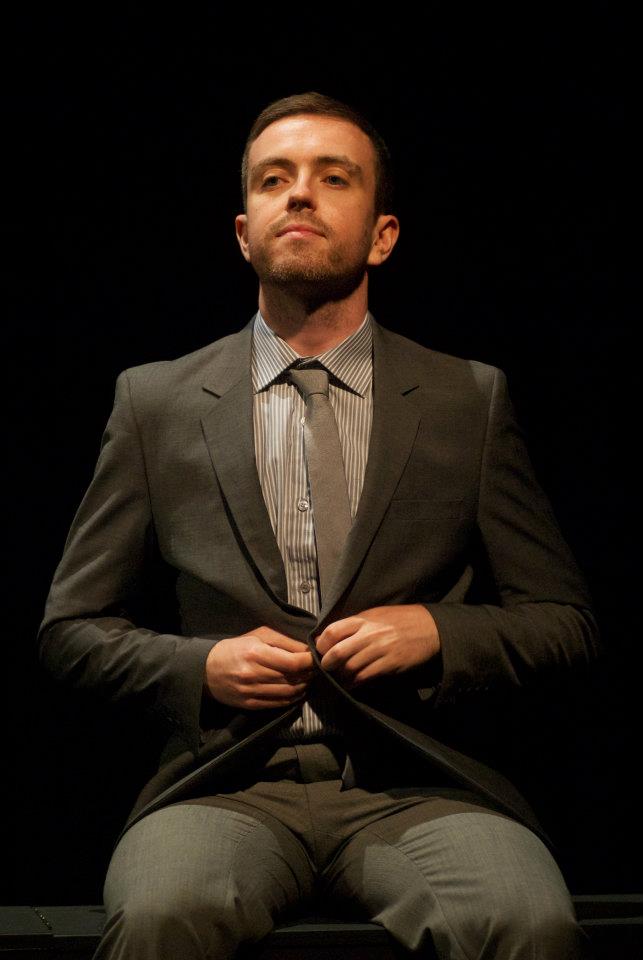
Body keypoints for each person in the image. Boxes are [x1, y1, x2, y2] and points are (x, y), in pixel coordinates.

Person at [38, 90, 600, 959]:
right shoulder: (156, 402)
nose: (298, 195)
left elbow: (564, 622)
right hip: (223, 786)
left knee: (523, 922)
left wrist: (439, 633)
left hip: (419, 785)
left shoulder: (465, 399)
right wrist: (201, 665)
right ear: (242, 230)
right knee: (161, 918)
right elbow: (70, 630)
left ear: (382, 233)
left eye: (332, 178)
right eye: (275, 179)